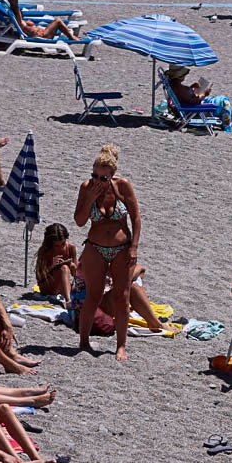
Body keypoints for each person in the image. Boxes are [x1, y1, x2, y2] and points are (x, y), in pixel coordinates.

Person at [73, 144, 140, 361]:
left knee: (122, 296)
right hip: (95, 247)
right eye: (94, 175)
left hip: (122, 249)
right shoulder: (86, 187)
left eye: (103, 178)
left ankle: (121, 345)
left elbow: (136, 218)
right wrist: (91, 198)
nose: (97, 181)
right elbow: (80, 221)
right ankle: (84, 341)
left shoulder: (123, 187)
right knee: (93, 295)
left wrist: (134, 247)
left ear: (112, 176)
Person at [165, 65, 232, 126]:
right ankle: (226, 124)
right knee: (223, 101)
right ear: (181, 76)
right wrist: (204, 94)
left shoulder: (175, 86)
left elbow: (185, 98)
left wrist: (192, 87)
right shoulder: (179, 89)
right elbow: (193, 102)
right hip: (193, 108)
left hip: (191, 104)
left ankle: (225, 120)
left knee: (219, 99)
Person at [35, 223, 78, 304]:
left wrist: (72, 266)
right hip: (47, 286)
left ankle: (67, 295)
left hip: (62, 287)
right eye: (56, 246)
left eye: (63, 244)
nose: (60, 247)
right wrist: (52, 266)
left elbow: (77, 275)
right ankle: (68, 301)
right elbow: (39, 277)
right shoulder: (46, 251)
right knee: (64, 268)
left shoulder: (71, 248)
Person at [15, 8, 80, 40]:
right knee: (58, 20)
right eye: (20, 12)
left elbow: (16, 10)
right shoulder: (21, 23)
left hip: (44, 33)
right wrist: (10, 1)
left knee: (58, 23)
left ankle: (69, 34)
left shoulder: (24, 21)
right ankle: (71, 37)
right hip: (43, 36)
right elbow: (16, 10)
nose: (21, 12)